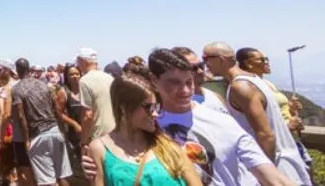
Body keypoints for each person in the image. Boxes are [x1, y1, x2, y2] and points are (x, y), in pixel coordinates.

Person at [202, 42, 311, 185]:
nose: (204, 64)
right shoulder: (255, 80)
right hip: (287, 162)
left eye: (206, 59)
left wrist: (264, 176)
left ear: (221, 59)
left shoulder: (240, 87)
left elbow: (265, 134)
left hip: (275, 167)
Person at [88, 73, 200, 185]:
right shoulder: (100, 149)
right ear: (123, 107)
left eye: (156, 107)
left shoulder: (169, 146)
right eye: (148, 107)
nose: (155, 114)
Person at [12, 58, 72, 186]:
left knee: (47, 181)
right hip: (55, 130)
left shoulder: (17, 89)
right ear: (29, 69)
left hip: (38, 135)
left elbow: (21, 116)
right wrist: (61, 130)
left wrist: (27, 140)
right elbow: (57, 109)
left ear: (17, 70)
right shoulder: (44, 84)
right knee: (62, 176)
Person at [77, 48, 116, 143]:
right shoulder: (110, 78)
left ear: (84, 61)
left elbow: (88, 115)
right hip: (115, 133)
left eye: (78, 61)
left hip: (98, 136)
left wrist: (84, 141)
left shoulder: (85, 80)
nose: (77, 64)